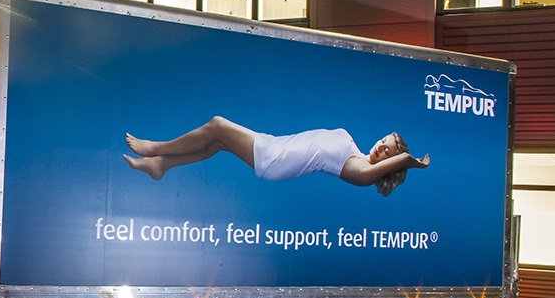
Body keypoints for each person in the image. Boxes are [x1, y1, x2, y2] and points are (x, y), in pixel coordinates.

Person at [123, 116, 429, 197]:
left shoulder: (360, 171)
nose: (380, 146)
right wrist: (400, 157)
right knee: (217, 142)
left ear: (390, 163)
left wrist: (408, 161)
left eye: (387, 150)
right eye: (383, 141)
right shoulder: (356, 151)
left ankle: (156, 148)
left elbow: (388, 166)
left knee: (217, 125)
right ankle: (162, 165)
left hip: (276, 159)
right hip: (277, 146)